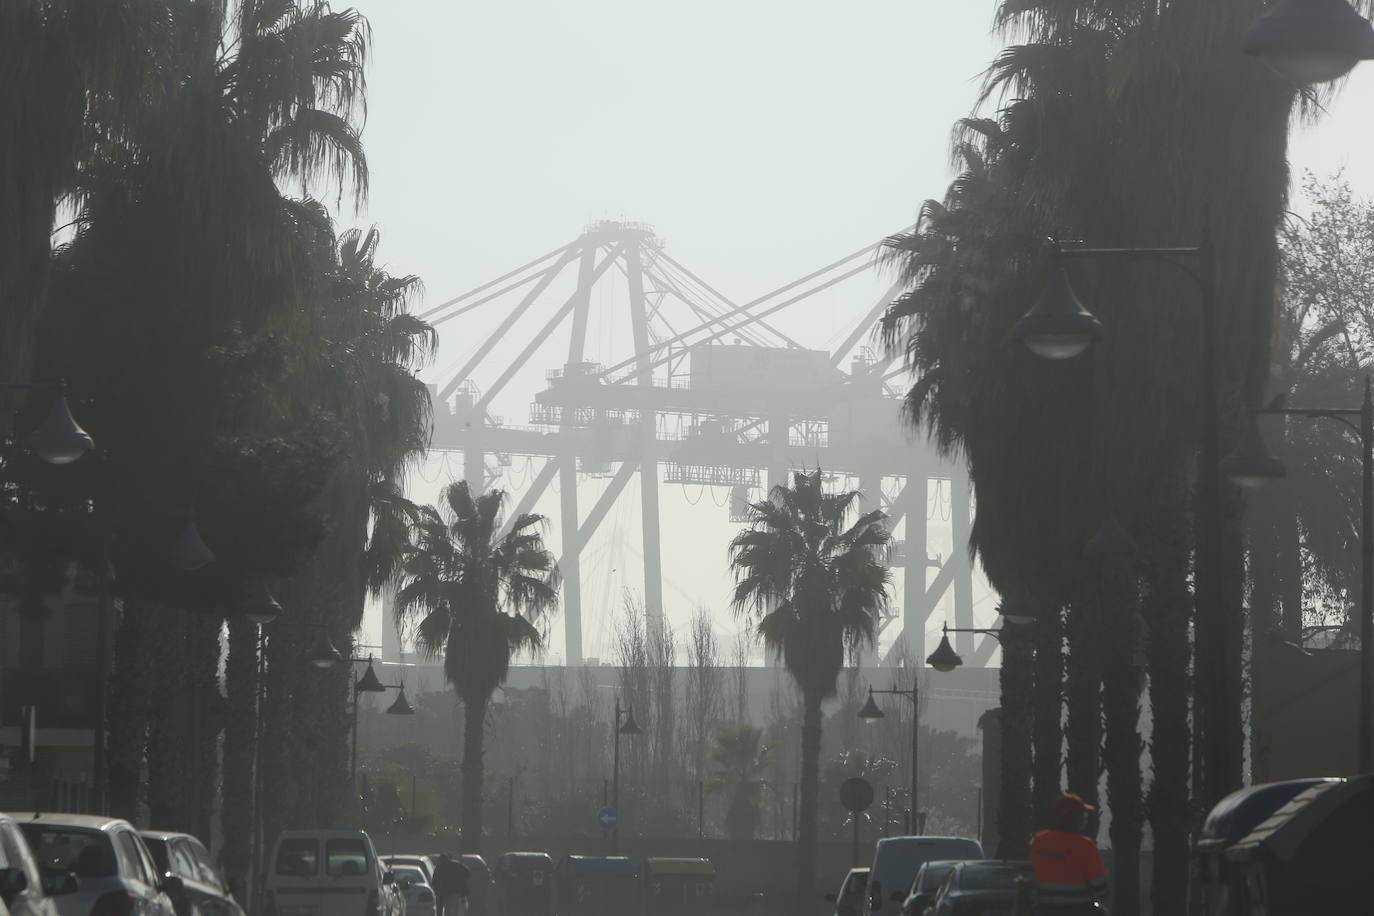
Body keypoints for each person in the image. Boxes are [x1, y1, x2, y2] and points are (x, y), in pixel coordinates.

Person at [1030, 793, 1109, 915]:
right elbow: (1100, 887)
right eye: (1083, 815)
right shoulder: (1085, 845)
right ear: (1075, 818)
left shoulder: (1038, 841)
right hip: (1081, 910)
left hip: (1045, 910)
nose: (1085, 818)